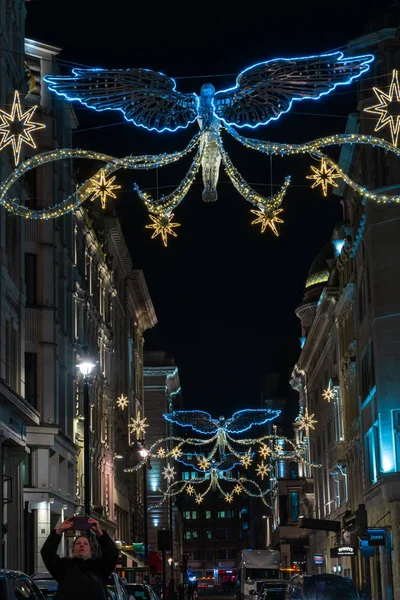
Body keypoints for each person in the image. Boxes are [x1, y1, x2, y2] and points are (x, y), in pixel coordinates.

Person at [41, 516, 119, 600]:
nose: (82, 545)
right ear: (73, 550)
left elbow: (112, 553)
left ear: (91, 551)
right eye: (78, 543)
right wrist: (59, 531)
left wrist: (99, 533)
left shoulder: (99, 568)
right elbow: (47, 553)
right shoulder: (64, 567)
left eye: (85, 544)